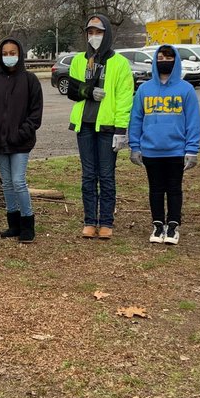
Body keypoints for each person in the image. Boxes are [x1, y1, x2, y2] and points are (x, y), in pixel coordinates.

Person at [66, 14, 134, 239]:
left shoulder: (119, 63)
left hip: (107, 127)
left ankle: (105, 221)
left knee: (106, 176)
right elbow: (73, 90)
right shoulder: (79, 60)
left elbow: (125, 98)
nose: (94, 36)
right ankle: (89, 220)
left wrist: (121, 130)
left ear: (107, 34)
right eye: (91, 32)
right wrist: (88, 92)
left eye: (99, 32)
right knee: (88, 175)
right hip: (84, 125)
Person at [127, 45, 200, 244]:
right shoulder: (144, 89)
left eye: (168, 57)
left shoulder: (186, 90)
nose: (164, 61)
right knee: (156, 189)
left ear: (175, 60)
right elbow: (136, 119)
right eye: (160, 57)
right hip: (151, 151)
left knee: (174, 188)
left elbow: (193, 121)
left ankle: (173, 225)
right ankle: (158, 224)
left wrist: (192, 149)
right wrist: (135, 146)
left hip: (176, 150)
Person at [0, 38, 43, 243]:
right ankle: (13, 223)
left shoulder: (30, 80)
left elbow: (35, 113)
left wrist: (21, 132)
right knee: (7, 183)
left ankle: (27, 222)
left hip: (20, 142)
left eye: (12, 52)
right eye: (5, 53)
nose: (9, 56)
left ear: (20, 54)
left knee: (18, 181)